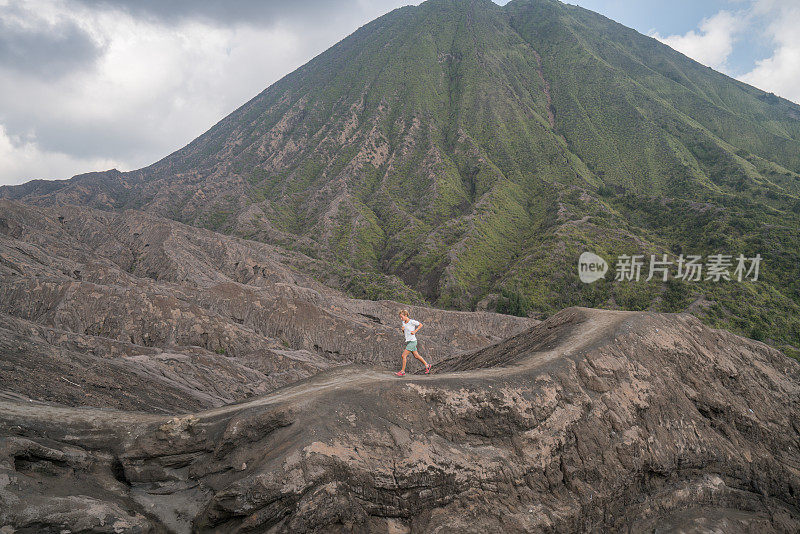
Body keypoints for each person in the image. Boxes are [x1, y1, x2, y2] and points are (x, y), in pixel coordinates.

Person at [396, 309, 431, 376]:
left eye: (402, 317)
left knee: (403, 355)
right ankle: (427, 365)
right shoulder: (403, 322)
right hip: (409, 341)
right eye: (400, 317)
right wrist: (402, 330)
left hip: (413, 341)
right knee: (416, 356)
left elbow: (421, 325)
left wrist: (415, 331)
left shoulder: (412, 322)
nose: (401, 318)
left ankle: (402, 371)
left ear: (406, 315)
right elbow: (405, 332)